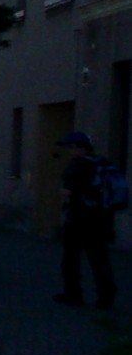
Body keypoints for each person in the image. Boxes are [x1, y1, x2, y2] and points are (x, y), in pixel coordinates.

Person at [57, 131, 117, 309]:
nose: (68, 151)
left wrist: (63, 194)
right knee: (99, 259)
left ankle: (73, 295)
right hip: (102, 218)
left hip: (78, 218)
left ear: (79, 147)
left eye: (70, 147)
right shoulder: (102, 163)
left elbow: (69, 191)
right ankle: (106, 298)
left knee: (71, 259)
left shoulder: (79, 165)